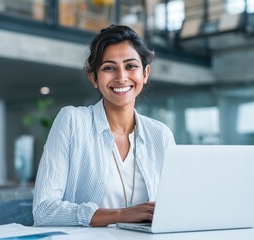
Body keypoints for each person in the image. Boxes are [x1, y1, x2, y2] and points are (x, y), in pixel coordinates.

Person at [32, 25, 175, 227]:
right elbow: (43, 211)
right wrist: (120, 215)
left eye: (131, 66)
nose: (121, 77)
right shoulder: (72, 121)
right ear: (94, 78)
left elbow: (175, 208)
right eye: (109, 67)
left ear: (145, 73)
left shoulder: (161, 135)